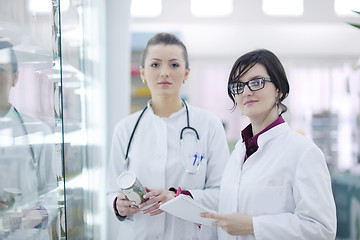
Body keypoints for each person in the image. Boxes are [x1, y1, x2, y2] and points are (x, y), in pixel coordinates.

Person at [201, 49, 337, 239]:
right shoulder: (238, 153)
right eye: (238, 86)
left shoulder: (303, 152)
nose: (246, 91)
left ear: (279, 90)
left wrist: (254, 225)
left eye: (257, 82)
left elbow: (321, 229)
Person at [106, 32, 230, 239]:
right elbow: (110, 190)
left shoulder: (209, 125)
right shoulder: (125, 129)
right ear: (143, 73)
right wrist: (117, 204)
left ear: (186, 73)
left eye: (174, 65)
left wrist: (177, 197)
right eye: (155, 65)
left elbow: (222, 193)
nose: (164, 72)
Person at [0, 40, 57, 239]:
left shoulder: (38, 132)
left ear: (15, 77)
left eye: (0, 69)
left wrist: (34, 217)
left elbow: (53, 193)